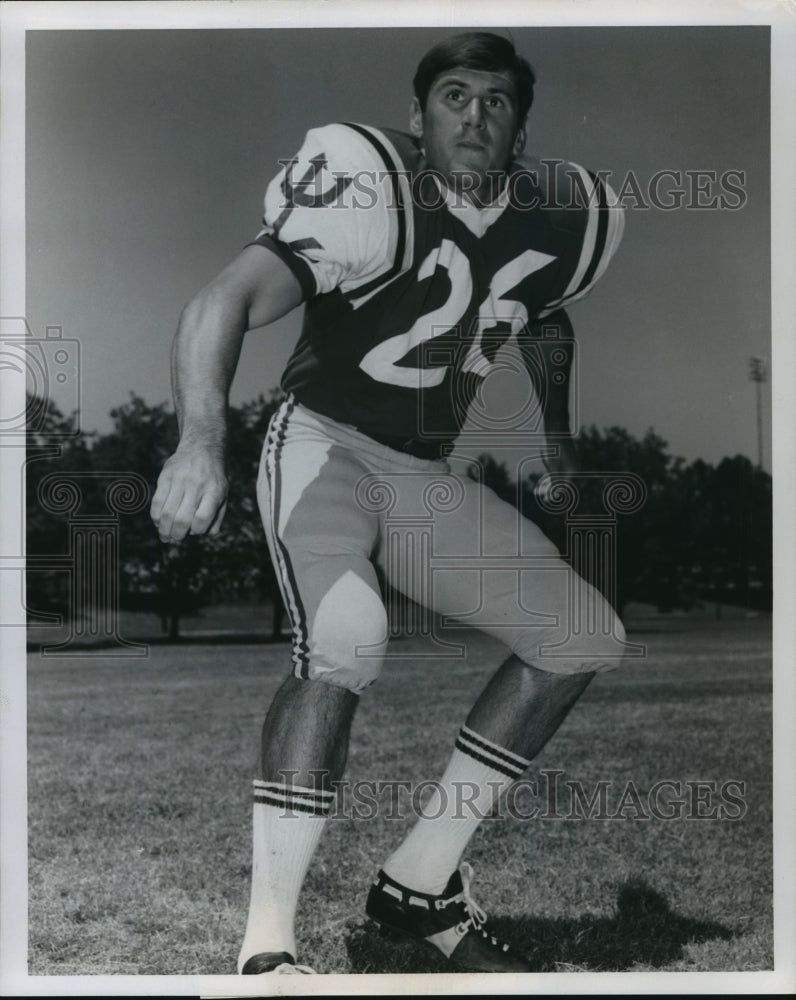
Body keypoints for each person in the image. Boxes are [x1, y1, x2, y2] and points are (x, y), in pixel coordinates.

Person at [151, 31, 627, 976]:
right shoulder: (369, 188)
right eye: (453, 96)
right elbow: (224, 299)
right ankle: (267, 946)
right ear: (417, 118)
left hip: (425, 473)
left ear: (521, 127)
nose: (474, 116)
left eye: (495, 101)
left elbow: (546, 311)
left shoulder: (565, 215)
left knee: (583, 634)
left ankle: (419, 883)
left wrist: (552, 437)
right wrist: (200, 439)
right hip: (323, 443)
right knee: (348, 638)